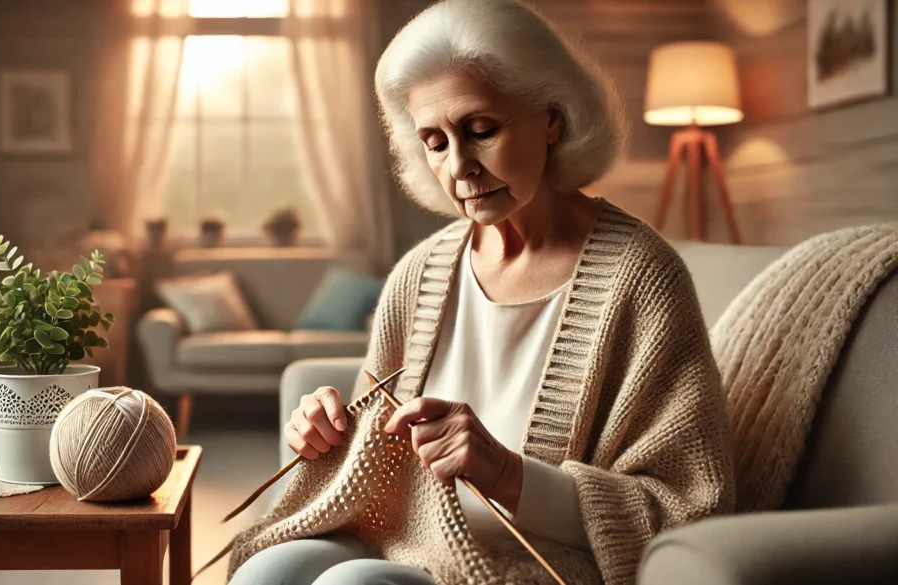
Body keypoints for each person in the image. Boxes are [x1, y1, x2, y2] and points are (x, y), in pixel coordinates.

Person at [230, 1, 734, 583]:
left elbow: (688, 508)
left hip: (541, 562)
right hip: (407, 534)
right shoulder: (419, 273)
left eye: (480, 130)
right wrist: (325, 433)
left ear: (552, 118)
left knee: (353, 583)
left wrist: (508, 474)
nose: (460, 167)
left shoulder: (643, 279)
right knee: (269, 570)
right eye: (435, 141)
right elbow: (370, 452)